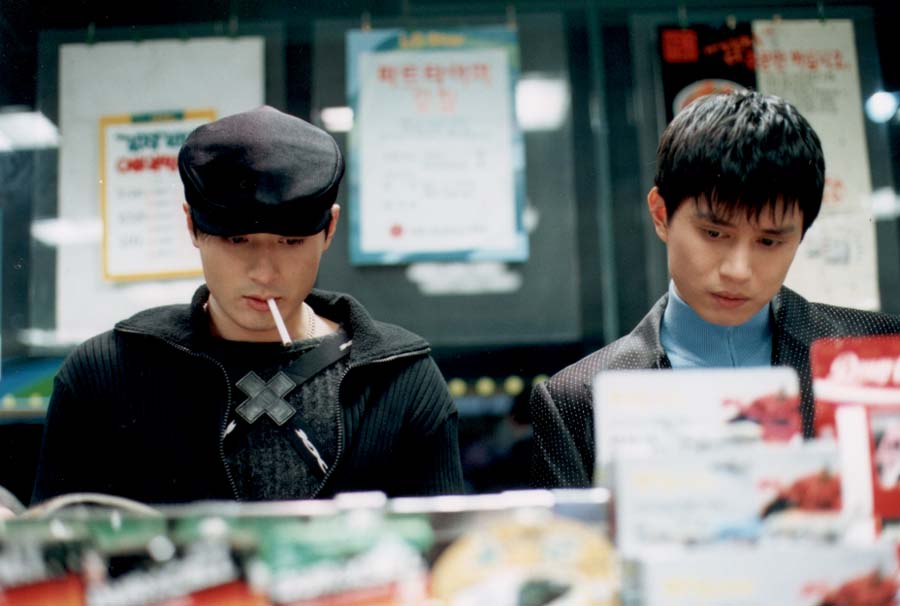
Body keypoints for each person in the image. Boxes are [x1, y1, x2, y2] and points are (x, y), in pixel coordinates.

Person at [32, 106, 464, 504]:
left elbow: (445, 555)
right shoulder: (106, 375)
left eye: (291, 242)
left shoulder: (400, 381)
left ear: (329, 228)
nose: (264, 272)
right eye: (237, 240)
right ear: (192, 225)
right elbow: (56, 550)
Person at [530, 91, 900, 489]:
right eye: (713, 233)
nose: (738, 271)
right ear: (661, 215)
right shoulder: (578, 399)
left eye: (769, 241)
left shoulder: (880, 354)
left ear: (802, 234)